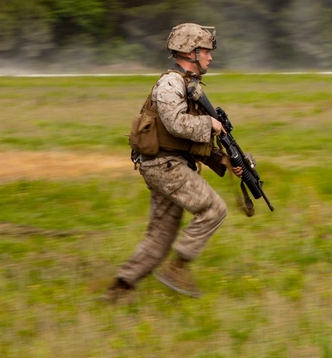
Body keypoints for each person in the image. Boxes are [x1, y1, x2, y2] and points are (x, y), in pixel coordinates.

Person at [104, 23, 242, 302]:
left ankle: (121, 288)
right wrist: (210, 123)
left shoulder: (188, 84)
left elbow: (185, 141)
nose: (210, 58)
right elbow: (176, 124)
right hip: (164, 166)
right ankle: (176, 269)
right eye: (206, 52)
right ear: (191, 52)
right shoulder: (170, 84)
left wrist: (225, 160)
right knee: (214, 209)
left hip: (168, 164)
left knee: (160, 236)